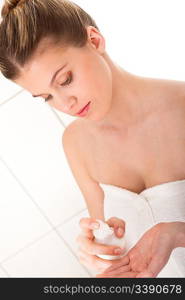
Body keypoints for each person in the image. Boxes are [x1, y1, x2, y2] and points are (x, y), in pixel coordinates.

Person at [0, 0, 185, 278]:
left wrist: (177, 233)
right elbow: (114, 245)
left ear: (95, 40)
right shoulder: (76, 143)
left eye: (65, 80)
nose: (65, 104)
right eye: (47, 97)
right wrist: (100, 249)